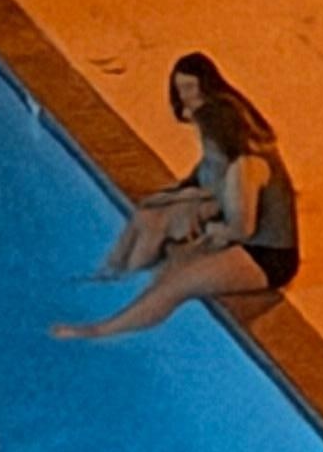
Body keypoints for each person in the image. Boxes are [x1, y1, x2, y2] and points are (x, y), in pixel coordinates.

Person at [56, 85, 298, 338]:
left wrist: (209, 230)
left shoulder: (245, 168)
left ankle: (101, 330)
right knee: (166, 251)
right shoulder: (234, 157)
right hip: (243, 239)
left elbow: (242, 229)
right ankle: (113, 279)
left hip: (267, 257)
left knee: (177, 284)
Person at [92, 51, 276, 282]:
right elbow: (209, 167)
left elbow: (228, 175)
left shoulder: (222, 120)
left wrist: (190, 198)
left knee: (159, 222)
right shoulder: (214, 115)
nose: (185, 96)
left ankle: (127, 274)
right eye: (181, 89)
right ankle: (114, 269)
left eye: (189, 88)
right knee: (146, 213)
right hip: (221, 191)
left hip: (230, 199)